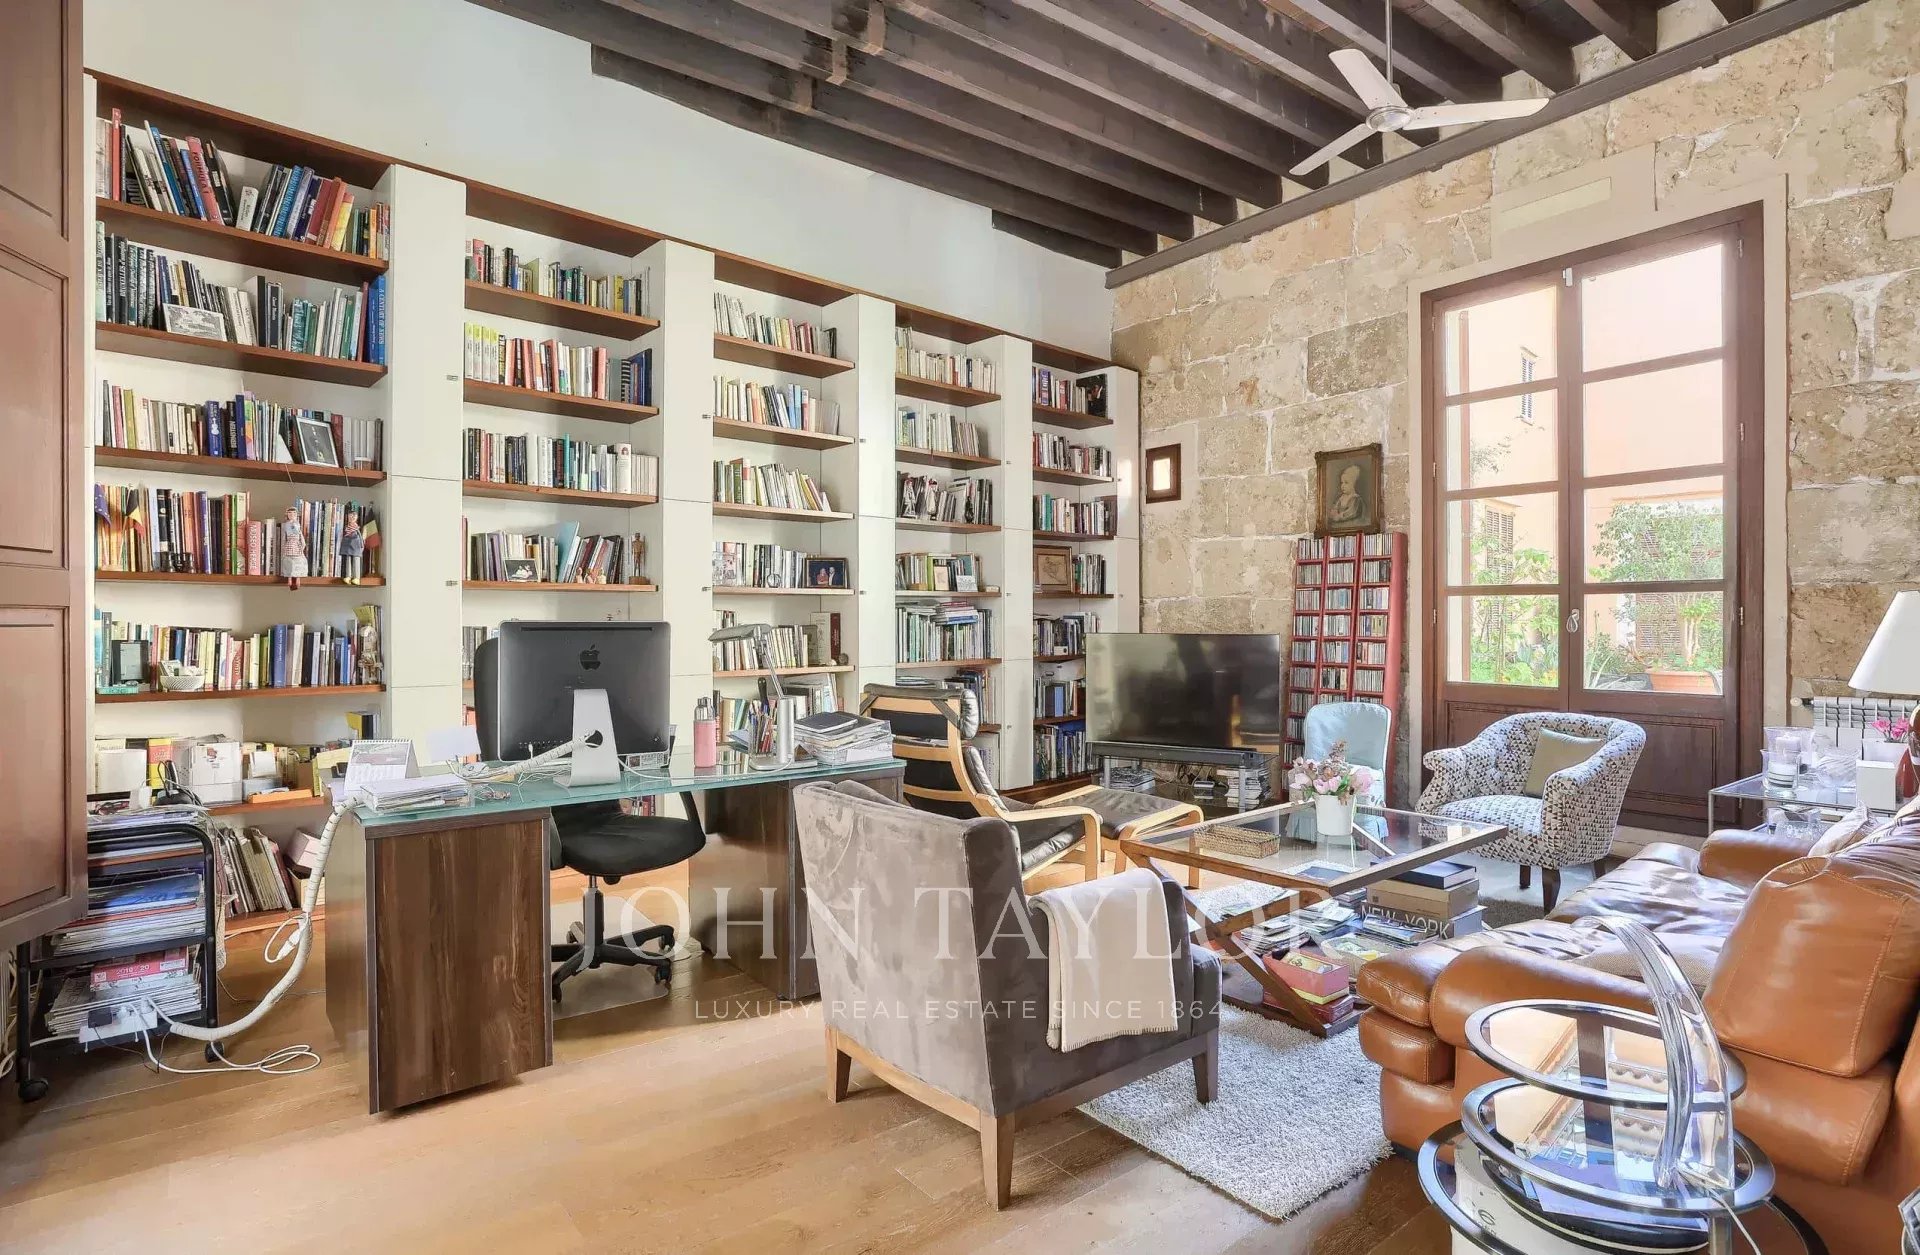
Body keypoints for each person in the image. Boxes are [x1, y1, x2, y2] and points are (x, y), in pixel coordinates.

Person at [280, 506, 308, 590]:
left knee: (298, 562)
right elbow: (284, 537)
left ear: (296, 515)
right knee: (288, 562)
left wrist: (302, 546)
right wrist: (283, 547)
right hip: (289, 545)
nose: (291, 515)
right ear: (287, 515)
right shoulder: (286, 525)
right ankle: (289, 579)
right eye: (290, 513)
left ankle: (298, 579)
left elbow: (300, 537)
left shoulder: (297, 525)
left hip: (296, 546)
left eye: (294, 513)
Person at [340, 514, 366, 585]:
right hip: (348, 546)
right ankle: (348, 576)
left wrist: (361, 545)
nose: (352, 517)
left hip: (356, 547)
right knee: (348, 561)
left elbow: (360, 537)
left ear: (356, 518)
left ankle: (356, 577)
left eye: (354, 516)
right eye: (350, 516)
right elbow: (343, 537)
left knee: (356, 560)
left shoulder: (356, 529)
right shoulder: (346, 528)